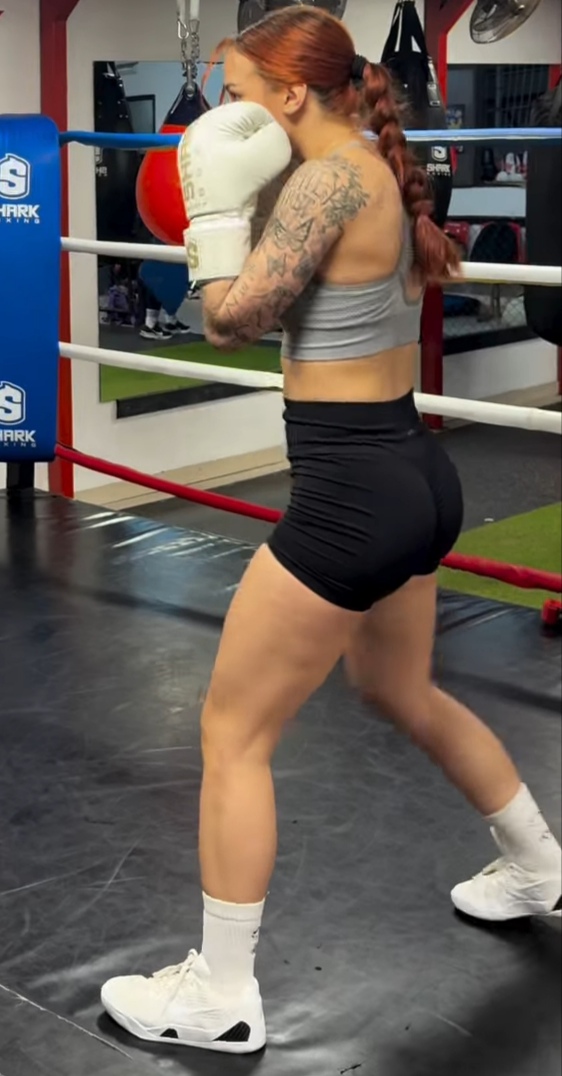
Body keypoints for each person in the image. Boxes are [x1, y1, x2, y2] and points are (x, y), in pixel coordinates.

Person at [100, 7, 562, 1055]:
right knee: (399, 688)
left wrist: (214, 224)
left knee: (231, 733)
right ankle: (539, 862)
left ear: (291, 93)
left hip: (352, 492)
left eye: (237, 94)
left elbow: (233, 319)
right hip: (414, 474)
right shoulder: (369, 166)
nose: (225, 114)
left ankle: (219, 992)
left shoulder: (325, 183)